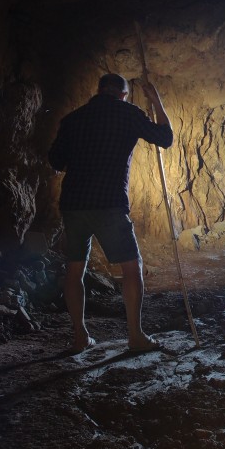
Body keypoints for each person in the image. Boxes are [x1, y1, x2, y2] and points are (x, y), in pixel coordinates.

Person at [48, 73, 173, 353]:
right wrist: (156, 101)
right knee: (131, 267)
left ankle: (80, 337)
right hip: (109, 202)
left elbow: (55, 160)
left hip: (74, 203)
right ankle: (135, 336)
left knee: (74, 270)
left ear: (100, 90)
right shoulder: (128, 113)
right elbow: (165, 139)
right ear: (123, 95)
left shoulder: (73, 119)